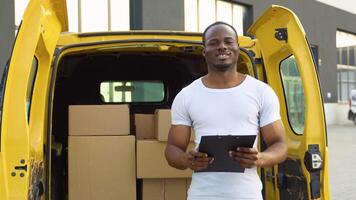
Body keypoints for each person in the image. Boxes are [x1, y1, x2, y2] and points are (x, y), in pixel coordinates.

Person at [165, 21, 287, 200]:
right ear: (204, 51)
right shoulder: (187, 96)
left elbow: (280, 145)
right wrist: (187, 160)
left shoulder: (261, 92)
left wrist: (259, 158)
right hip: (202, 195)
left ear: (237, 47)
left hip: (248, 195)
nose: (222, 46)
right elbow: (172, 149)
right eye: (214, 42)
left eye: (228, 42)